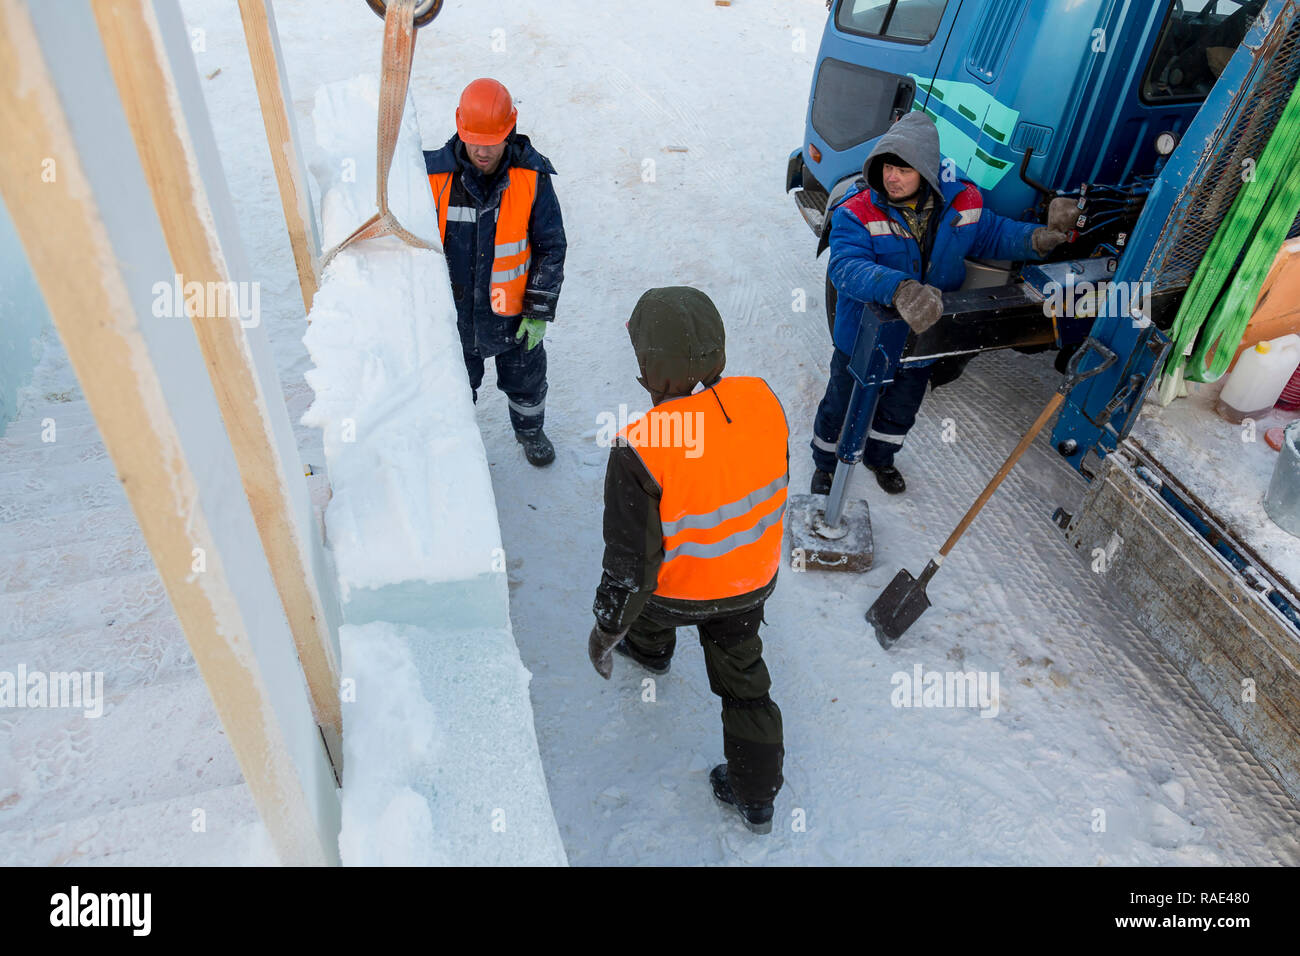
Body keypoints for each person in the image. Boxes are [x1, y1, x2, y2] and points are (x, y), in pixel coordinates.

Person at [586, 287, 788, 834]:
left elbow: (631, 566)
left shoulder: (641, 446)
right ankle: (757, 798)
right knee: (746, 682)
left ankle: (649, 652)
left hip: (676, 593)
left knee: (647, 609)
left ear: (649, 367)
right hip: (749, 582)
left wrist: (606, 628)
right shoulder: (763, 400)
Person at [810, 111, 1076, 495]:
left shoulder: (961, 201)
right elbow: (846, 268)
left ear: (927, 171)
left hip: (925, 332)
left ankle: (880, 458)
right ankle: (825, 462)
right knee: (844, 399)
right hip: (864, 334)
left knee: (903, 404)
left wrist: (1037, 238)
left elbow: (990, 233)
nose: (892, 177)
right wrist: (900, 289)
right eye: (886, 167)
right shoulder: (857, 210)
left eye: (903, 169)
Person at [424, 78, 567, 466]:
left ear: (510, 130)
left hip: (515, 320)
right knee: (455, 392)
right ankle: (460, 450)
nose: (482, 151)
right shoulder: (431, 177)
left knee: (527, 385)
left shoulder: (531, 177)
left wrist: (538, 310)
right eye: (473, 139)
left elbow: (551, 245)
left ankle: (529, 432)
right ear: (458, 126)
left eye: (492, 140)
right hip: (453, 321)